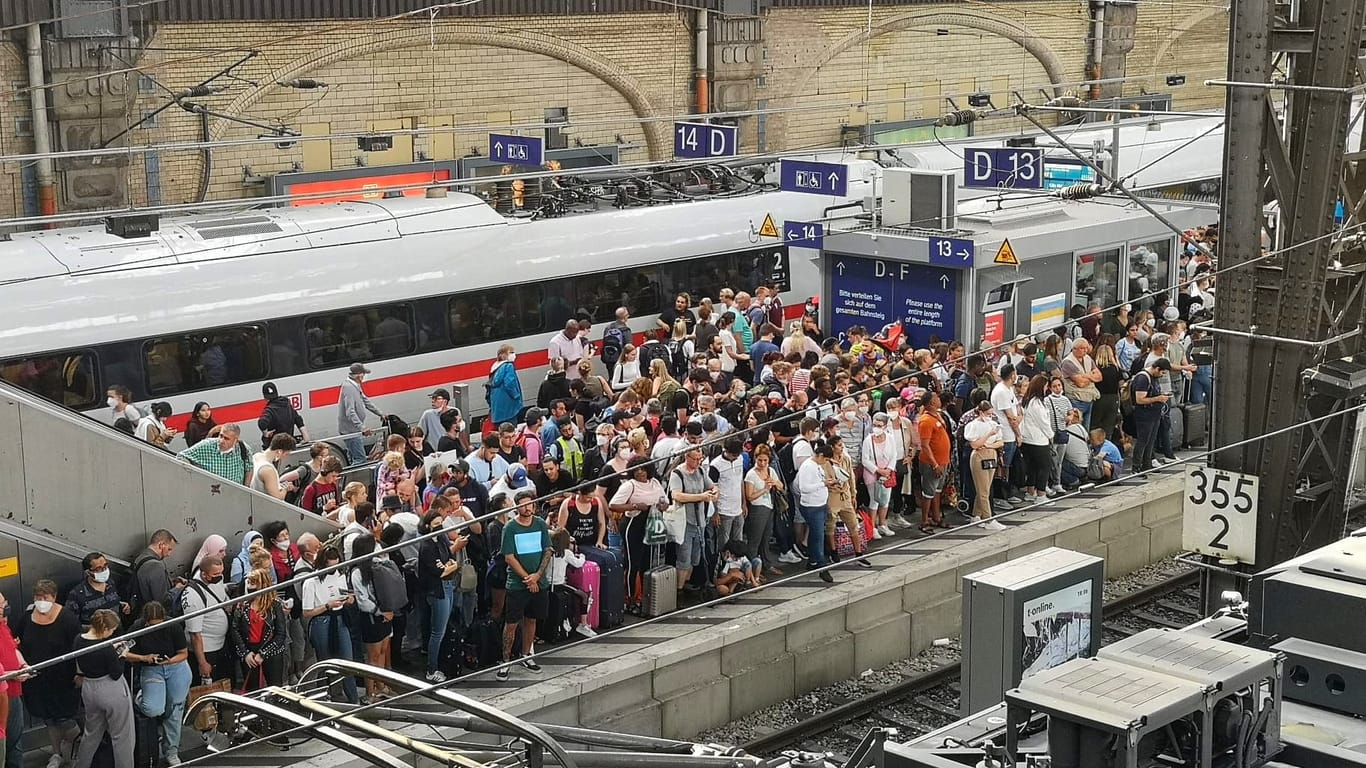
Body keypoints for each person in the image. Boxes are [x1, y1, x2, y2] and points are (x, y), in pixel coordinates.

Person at [16, 580, 80, 768]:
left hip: (63, 679)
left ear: (54, 597)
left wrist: (79, 673)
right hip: (37, 680)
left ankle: (81, 751)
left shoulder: (67, 618)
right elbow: (18, 642)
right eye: (38, 598)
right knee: (49, 720)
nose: (41, 601)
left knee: (66, 719)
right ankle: (57, 753)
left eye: (45, 598)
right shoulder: (26, 618)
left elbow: (78, 647)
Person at [126, 602, 192, 767]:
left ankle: (171, 751)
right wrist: (144, 658)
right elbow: (124, 652)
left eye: (159, 623)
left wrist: (170, 661)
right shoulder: (137, 628)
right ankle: (142, 698)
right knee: (154, 708)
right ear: (146, 621)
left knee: (175, 709)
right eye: (152, 625)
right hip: (152, 670)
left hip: (175, 667)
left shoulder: (173, 625)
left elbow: (183, 654)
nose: (156, 627)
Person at [497, 490, 552, 682]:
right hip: (517, 584)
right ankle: (505, 660)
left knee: (532, 620)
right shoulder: (510, 528)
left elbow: (547, 550)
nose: (527, 508)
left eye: (530, 504)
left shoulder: (540, 524)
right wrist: (528, 578)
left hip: (540, 582)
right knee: (511, 623)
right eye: (523, 504)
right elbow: (509, 557)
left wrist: (537, 576)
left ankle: (526, 654)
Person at [72, 610, 134, 768]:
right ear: (105, 629)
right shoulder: (106, 648)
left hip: (89, 687)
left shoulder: (78, 640)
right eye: (112, 630)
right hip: (111, 689)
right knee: (122, 736)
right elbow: (116, 673)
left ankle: (81, 765)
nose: (112, 633)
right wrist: (122, 655)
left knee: (91, 733)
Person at [609, 458, 667, 614]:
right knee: (632, 563)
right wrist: (634, 505)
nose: (640, 472)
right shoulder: (629, 486)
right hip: (633, 524)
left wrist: (663, 505)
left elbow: (665, 500)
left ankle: (646, 597)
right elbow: (613, 505)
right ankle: (630, 599)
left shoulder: (655, 482)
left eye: (643, 469)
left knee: (647, 563)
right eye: (637, 470)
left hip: (650, 525)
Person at [301, 547, 358, 703]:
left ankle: (354, 701)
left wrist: (349, 600)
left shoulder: (340, 575)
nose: (334, 569)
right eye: (330, 566)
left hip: (340, 618)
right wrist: (327, 606)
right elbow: (307, 612)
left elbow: (346, 594)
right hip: (321, 621)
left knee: (347, 663)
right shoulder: (311, 582)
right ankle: (325, 698)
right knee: (325, 663)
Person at [416, 508, 462, 684]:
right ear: (427, 526)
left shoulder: (442, 538)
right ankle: (431, 669)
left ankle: (442, 662)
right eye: (435, 524)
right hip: (437, 590)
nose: (439, 527)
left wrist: (448, 567)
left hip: (448, 585)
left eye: (440, 523)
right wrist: (449, 567)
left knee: (444, 627)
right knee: (438, 631)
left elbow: (451, 560)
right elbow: (438, 571)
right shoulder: (427, 546)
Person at [228, 569, 290, 695]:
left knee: (274, 690)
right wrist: (245, 653)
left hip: (271, 652)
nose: (250, 587)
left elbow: (281, 633)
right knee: (253, 691)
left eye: (253, 583)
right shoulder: (242, 605)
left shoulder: (275, 605)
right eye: (249, 583)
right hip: (249, 653)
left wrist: (263, 654)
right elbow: (235, 629)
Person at [794, 440, 836, 584]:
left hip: (820, 504)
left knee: (815, 535)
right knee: (818, 537)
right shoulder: (807, 466)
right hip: (812, 507)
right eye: (825, 459)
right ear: (820, 455)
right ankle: (822, 566)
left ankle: (812, 561)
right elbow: (804, 487)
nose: (825, 463)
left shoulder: (817, 466)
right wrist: (823, 484)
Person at [963, 401, 1006, 530]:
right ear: (981, 413)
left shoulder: (993, 424)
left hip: (990, 453)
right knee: (983, 490)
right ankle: (988, 519)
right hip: (979, 455)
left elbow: (1001, 442)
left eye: (992, 414)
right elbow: (975, 444)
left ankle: (976, 515)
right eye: (988, 414)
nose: (990, 416)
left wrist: (989, 445)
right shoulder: (972, 425)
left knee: (985, 488)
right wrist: (988, 435)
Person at [915, 392, 952, 533]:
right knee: (928, 492)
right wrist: (934, 464)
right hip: (932, 463)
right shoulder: (925, 420)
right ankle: (924, 520)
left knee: (937, 490)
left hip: (943, 461)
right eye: (936, 398)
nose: (939, 399)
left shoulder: (938, 415)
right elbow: (925, 445)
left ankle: (937, 517)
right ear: (931, 402)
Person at [66, 552, 130, 627]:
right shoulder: (77, 594)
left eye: (105, 566)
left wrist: (119, 604)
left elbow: (108, 601)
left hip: (117, 632)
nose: (104, 571)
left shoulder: (111, 583)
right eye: (99, 569)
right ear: (88, 572)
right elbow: (71, 623)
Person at [1131, 358, 1173, 472]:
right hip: (1144, 415)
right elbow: (1139, 399)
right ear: (1157, 368)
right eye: (1162, 373)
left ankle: (1147, 464)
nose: (1162, 375)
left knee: (1151, 440)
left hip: (1154, 414)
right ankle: (1136, 466)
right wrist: (1158, 398)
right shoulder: (1143, 378)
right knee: (1143, 440)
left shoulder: (1154, 377)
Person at [338, 363, 383, 465]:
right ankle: (353, 478)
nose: (365, 376)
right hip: (351, 431)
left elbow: (365, 401)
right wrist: (362, 427)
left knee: (353, 457)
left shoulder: (354, 385)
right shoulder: (349, 387)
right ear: (359, 375)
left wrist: (380, 414)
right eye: (364, 374)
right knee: (360, 460)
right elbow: (350, 412)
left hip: (353, 429)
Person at [178, 424, 251, 485]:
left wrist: (246, 490)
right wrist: (191, 474)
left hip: (235, 494)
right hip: (211, 493)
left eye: (226, 438)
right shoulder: (207, 445)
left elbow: (249, 468)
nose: (222, 441)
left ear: (236, 440)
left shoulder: (244, 448)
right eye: (221, 436)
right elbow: (181, 456)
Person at [257, 382, 309, 448]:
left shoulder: (269, 410)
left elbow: (262, 422)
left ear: (265, 397)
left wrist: (265, 433)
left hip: (275, 447)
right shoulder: (287, 404)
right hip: (289, 444)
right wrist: (306, 437)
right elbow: (298, 419)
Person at [250, 434, 298, 500]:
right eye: (286, 454)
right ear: (280, 451)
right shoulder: (268, 470)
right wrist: (286, 489)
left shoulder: (256, 456)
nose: (286, 457)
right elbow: (278, 497)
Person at [487, 344, 524, 427]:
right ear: (504, 355)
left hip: (497, 408)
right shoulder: (508, 366)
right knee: (511, 430)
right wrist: (516, 396)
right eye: (511, 352)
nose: (514, 355)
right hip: (508, 406)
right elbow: (510, 383)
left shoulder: (496, 367)